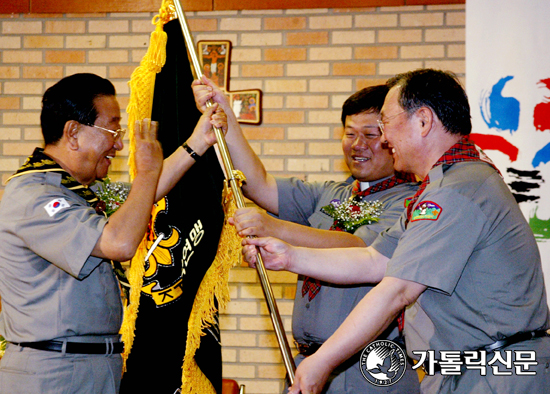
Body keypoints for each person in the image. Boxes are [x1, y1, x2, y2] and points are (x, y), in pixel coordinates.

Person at [242, 69, 550, 394]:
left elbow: (397, 289)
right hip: (468, 372)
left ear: (423, 121)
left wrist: (322, 361)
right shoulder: (441, 187)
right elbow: (374, 260)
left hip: (495, 374)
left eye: (385, 123)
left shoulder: (458, 189)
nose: (385, 138)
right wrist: (288, 257)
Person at [0, 73, 225, 394]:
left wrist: (198, 142)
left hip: (90, 367)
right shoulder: (35, 196)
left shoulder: (79, 193)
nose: (119, 144)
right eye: (112, 130)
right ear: (73, 132)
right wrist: (147, 170)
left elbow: (139, 201)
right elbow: (119, 242)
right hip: (54, 372)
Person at [193, 77, 420, 393]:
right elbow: (258, 184)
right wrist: (227, 114)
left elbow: (360, 249)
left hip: (370, 368)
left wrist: (275, 228)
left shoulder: (411, 200)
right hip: (306, 361)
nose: (358, 145)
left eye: (371, 135)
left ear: (392, 137)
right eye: (350, 133)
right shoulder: (329, 192)